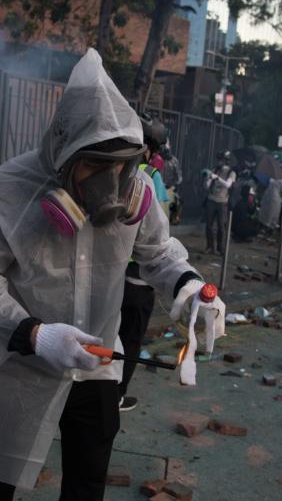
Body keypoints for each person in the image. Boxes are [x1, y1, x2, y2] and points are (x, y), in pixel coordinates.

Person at [0, 49, 225, 501]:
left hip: (100, 363)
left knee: (88, 479)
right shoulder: (4, 193)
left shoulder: (134, 191)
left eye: (122, 165)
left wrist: (190, 287)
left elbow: (158, 253)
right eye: (97, 165)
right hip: (25, 364)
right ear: (64, 156)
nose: (112, 182)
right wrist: (35, 335)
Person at [117, 113, 167, 412]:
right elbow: (158, 233)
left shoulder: (113, 166)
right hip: (138, 274)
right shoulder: (150, 176)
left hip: (111, 272)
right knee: (131, 339)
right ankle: (117, 394)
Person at [204, 150, 236, 255]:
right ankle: (210, 247)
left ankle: (220, 248)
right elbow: (207, 187)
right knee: (208, 225)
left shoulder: (231, 172)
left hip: (222, 202)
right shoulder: (215, 170)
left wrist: (217, 178)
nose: (218, 162)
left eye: (220, 160)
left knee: (221, 227)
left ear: (225, 161)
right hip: (211, 200)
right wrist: (207, 179)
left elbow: (228, 185)